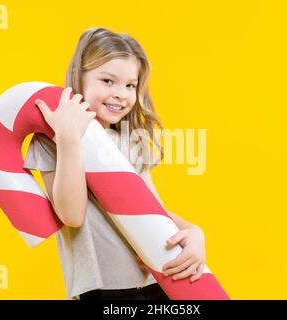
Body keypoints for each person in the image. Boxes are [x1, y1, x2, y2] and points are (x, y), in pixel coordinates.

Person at [23, 27, 206, 300]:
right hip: (103, 289)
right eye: (108, 81)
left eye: (130, 85)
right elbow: (71, 215)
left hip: (158, 278)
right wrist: (69, 139)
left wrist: (193, 231)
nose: (121, 93)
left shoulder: (132, 140)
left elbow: (151, 209)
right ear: (79, 79)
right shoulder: (52, 138)